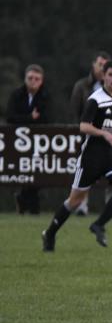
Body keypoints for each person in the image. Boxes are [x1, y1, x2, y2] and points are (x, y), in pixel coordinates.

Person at [41, 60, 112, 251]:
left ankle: (98, 225)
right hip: (92, 156)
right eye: (110, 75)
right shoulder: (95, 99)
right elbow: (83, 126)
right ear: (103, 76)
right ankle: (50, 233)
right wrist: (105, 134)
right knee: (75, 201)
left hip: (110, 154)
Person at [69, 51, 109, 216]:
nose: (102, 68)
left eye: (105, 65)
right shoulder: (82, 86)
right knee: (84, 170)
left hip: (106, 134)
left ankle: (108, 207)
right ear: (93, 65)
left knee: (109, 169)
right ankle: (81, 205)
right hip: (86, 133)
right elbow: (75, 110)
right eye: (100, 64)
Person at [6, 64, 50, 214]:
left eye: (37, 79)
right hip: (18, 142)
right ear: (25, 79)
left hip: (40, 143)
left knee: (37, 174)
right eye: (30, 78)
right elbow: (10, 117)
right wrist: (30, 118)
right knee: (23, 173)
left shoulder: (46, 96)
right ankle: (26, 203)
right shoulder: (16, 95)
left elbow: (47, 118)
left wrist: (29, 119)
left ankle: (29, 204)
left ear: (41, 81)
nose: (33, 81)